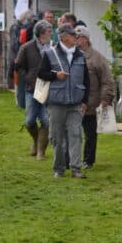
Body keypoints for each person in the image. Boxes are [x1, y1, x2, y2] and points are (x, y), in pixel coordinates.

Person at [37, 23, 90, 178]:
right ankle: (58, 169)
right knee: (57, 137)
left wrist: (85, 101)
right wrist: (55, 75)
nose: (77, 38)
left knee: (76, 135)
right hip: (56, 103)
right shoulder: (49, 53)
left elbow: (86, 80)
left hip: (75, 103)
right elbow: (41, 74)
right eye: (74, 36)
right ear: (65, 37)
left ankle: (76, 169)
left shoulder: (81, 55)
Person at [74, 25, 115, 169]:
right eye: (75, 37)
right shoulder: (69, 55)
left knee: (90, 134)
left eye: (78, 37)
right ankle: (72, 160)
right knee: (72, 133)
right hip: (73, 102)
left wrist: (105, 99)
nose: (76, 40)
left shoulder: (97, 58)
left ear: (85, 39)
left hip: (91, 103)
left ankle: (88, 161)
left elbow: (107, 80)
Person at [15, 20, 53, 160]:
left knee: (46, 121)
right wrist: (29, 78)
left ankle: (41, 151)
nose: (51, 34)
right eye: (49, 31)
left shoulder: (53, 47)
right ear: (42, 33)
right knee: (30, 121)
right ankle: (36, 141)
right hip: (31, 89)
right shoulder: (26, 47)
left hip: (48, 89)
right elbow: (18, 66)